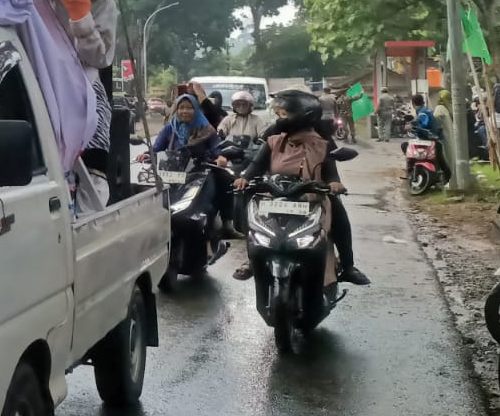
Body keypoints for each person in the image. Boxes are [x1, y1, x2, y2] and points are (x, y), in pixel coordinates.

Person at [232, 89, 369, 286]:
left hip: (311, 195)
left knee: (339, 213)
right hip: (275, 195)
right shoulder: (273, 139)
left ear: (301, 114)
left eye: (283, 113)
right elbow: (255, 165)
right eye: (278, 113)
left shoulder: (323, 143)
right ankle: (254, 259)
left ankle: (347, 266)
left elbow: (331, 171)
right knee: (248, 209)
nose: (278, 118)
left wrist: (334, 183)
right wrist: (244, 178)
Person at [151, 93, 229, 240]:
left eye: (189, 108)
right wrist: (147, 155)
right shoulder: (170, 128)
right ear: (176, 109)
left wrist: (220, 157)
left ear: (196, 110)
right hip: (173, 174)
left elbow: (216, 147)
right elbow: (156, 148)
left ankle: (210, 229)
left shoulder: (206, 129)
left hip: (199, 173)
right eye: (181, 108)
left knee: (207, 200)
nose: (184, 111)